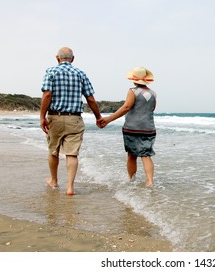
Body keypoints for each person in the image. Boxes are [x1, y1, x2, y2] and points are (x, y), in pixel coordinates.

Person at [40, 47, 103, 195]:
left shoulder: (51, 72)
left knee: (53, 151)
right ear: (73, 59)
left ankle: (54, 181)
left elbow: (47, 95)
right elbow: (90, 99)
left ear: (57, 58)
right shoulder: (80, 74)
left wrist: (42, 116)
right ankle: (70, 187)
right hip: (74, 118)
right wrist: (98, 117)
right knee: (72, 154)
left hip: (55, 117)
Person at [101, 66, 157, 187]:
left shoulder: (133, 91)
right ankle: (150, 181)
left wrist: (109, 119)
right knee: (146, 154)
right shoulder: (153, 94)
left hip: (132, 128)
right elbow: (151, 109)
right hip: (149, 128)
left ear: (134, 79)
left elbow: (126, 107)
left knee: (132, 155)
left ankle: (131, 180)